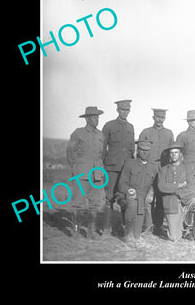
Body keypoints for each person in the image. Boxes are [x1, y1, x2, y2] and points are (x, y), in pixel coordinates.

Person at [66, 106, 106, 239]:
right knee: (77, 202)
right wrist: (76, 167)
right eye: (94, 117)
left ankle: (91, 231)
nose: (97, 120)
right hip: (82, 173)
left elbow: (102, 153)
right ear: (88, 119)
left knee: (95, 202)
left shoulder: (100, 134)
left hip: (97, 173)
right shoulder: (78, 133)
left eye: (98, 117)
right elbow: (70, 152)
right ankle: (75, 230)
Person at [158, 141, 195, 243]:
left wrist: (175, 192)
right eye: (171, 153)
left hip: (187, 200)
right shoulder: (164, 170)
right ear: (169, 155)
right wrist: (178, 186)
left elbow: (191, 186)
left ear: (180, 154)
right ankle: (182, 229)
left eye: (176, 152)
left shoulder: (187, 168)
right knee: (174, 238)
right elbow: (161, 187)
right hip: (172, 203)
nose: (174, 155)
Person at [101, 99, 135, 236]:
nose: (124, 112)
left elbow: (132, 149)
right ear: (117, 110)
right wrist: (102, 165)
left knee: (124, 196)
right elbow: (102, 147)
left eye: (127, 110)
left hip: (125, 169)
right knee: (109, 197)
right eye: (122, 110)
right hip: (111, 167)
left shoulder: (130, 127)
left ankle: (123, 228)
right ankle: (105, 229)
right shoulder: (109, 126)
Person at [139, 108, 174, 235]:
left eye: (162, 118)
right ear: (153, 117)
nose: (160, 120)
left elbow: (172, 153)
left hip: (163, 170)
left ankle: (158, 226)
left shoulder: (169, 133)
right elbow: (140, 152)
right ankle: (147, 225)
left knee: (161, 198)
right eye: (158, 117)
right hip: (148, 168)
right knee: (147, 198)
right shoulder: (146, 132)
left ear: (165, 118)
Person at [116, 139, 158, 241]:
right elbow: (121, 184)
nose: (144, 152)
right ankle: (127, 232)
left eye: (147, 150)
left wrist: (151, 192)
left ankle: (138, 229)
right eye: (142, 150)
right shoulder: (130, 163)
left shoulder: (153, 167)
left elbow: (154, 184)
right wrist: (129, 191)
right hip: (128, 197)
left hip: (142, 200)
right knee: (133, 204)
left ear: (150, 151)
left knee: (137, 235)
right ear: (137, 150)